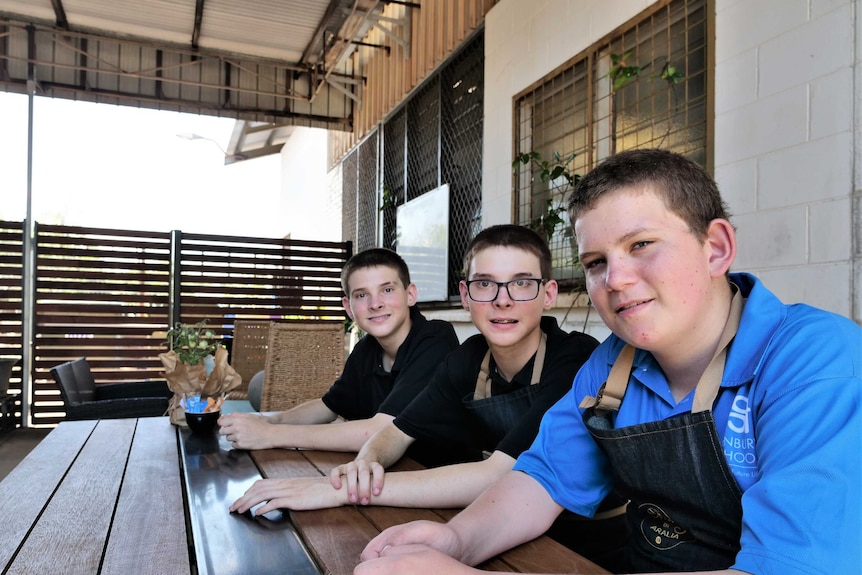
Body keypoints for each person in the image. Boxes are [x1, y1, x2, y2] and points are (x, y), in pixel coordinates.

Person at [354, 149, 862, 575]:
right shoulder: (611, 368)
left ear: (716, 249)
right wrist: (455, 541)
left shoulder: (813, 360)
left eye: (641, 245)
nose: (615, 279)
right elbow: (543, 479)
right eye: (596, 262)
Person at [230, 225, 621, 564]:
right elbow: (395, 431)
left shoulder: (576, 359)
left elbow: (501, 473)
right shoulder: (467, 359)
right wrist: (364, 464)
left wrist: (339, 489)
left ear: (548, 293)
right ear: (466, 296)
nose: (503, 299)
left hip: (584, 538)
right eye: (485, 284)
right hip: (490, 522)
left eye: (521, 283)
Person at [217, 247, 460, 465]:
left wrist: (270, 435)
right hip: (382, 472)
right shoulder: (366, 349)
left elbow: (381, 430)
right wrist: (271, 420)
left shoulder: (435, 339)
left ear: (410, 295)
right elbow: (328, 406)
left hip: (440, 483)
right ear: (348, 307)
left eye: (387, 289)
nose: (375, 303)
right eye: (362, 295)